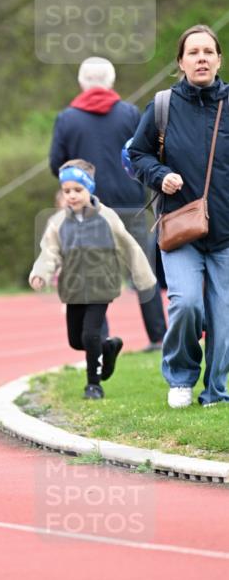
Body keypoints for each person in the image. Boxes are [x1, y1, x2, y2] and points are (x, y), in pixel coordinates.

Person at [130, 24, 228, 408]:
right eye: (193, 53)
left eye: (208, 52)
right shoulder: (162, 106)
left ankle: (216, 390)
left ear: (219, 60)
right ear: (181, 62)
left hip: (226, 234)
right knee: (186, 304)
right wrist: (160, 175)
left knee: (223, 316)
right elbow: (137, 154)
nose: (201, 59)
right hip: (180, 229)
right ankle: (181, 377)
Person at [50, 56, 167, 350]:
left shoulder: (67, 119)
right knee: (142, 269)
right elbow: (146, 154)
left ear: (81, 82)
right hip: (131, 203)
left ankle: (99, 337)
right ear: (111, 81)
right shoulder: (130, 114)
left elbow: (56, 164)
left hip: (89, 208)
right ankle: (158, 336)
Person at [29, 160, 156, 400]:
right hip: (73, 289)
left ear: (89, 189)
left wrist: (143, 278)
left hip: (101, 287)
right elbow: (49, 252)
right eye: (67, 191)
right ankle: (108, 347)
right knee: (77, 341)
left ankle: (93, 385)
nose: (72, 195)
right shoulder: (58, 222)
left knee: (90, 335)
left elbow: (129, 247)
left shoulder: (107, 218)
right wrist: (40, 274)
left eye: (78, 190)